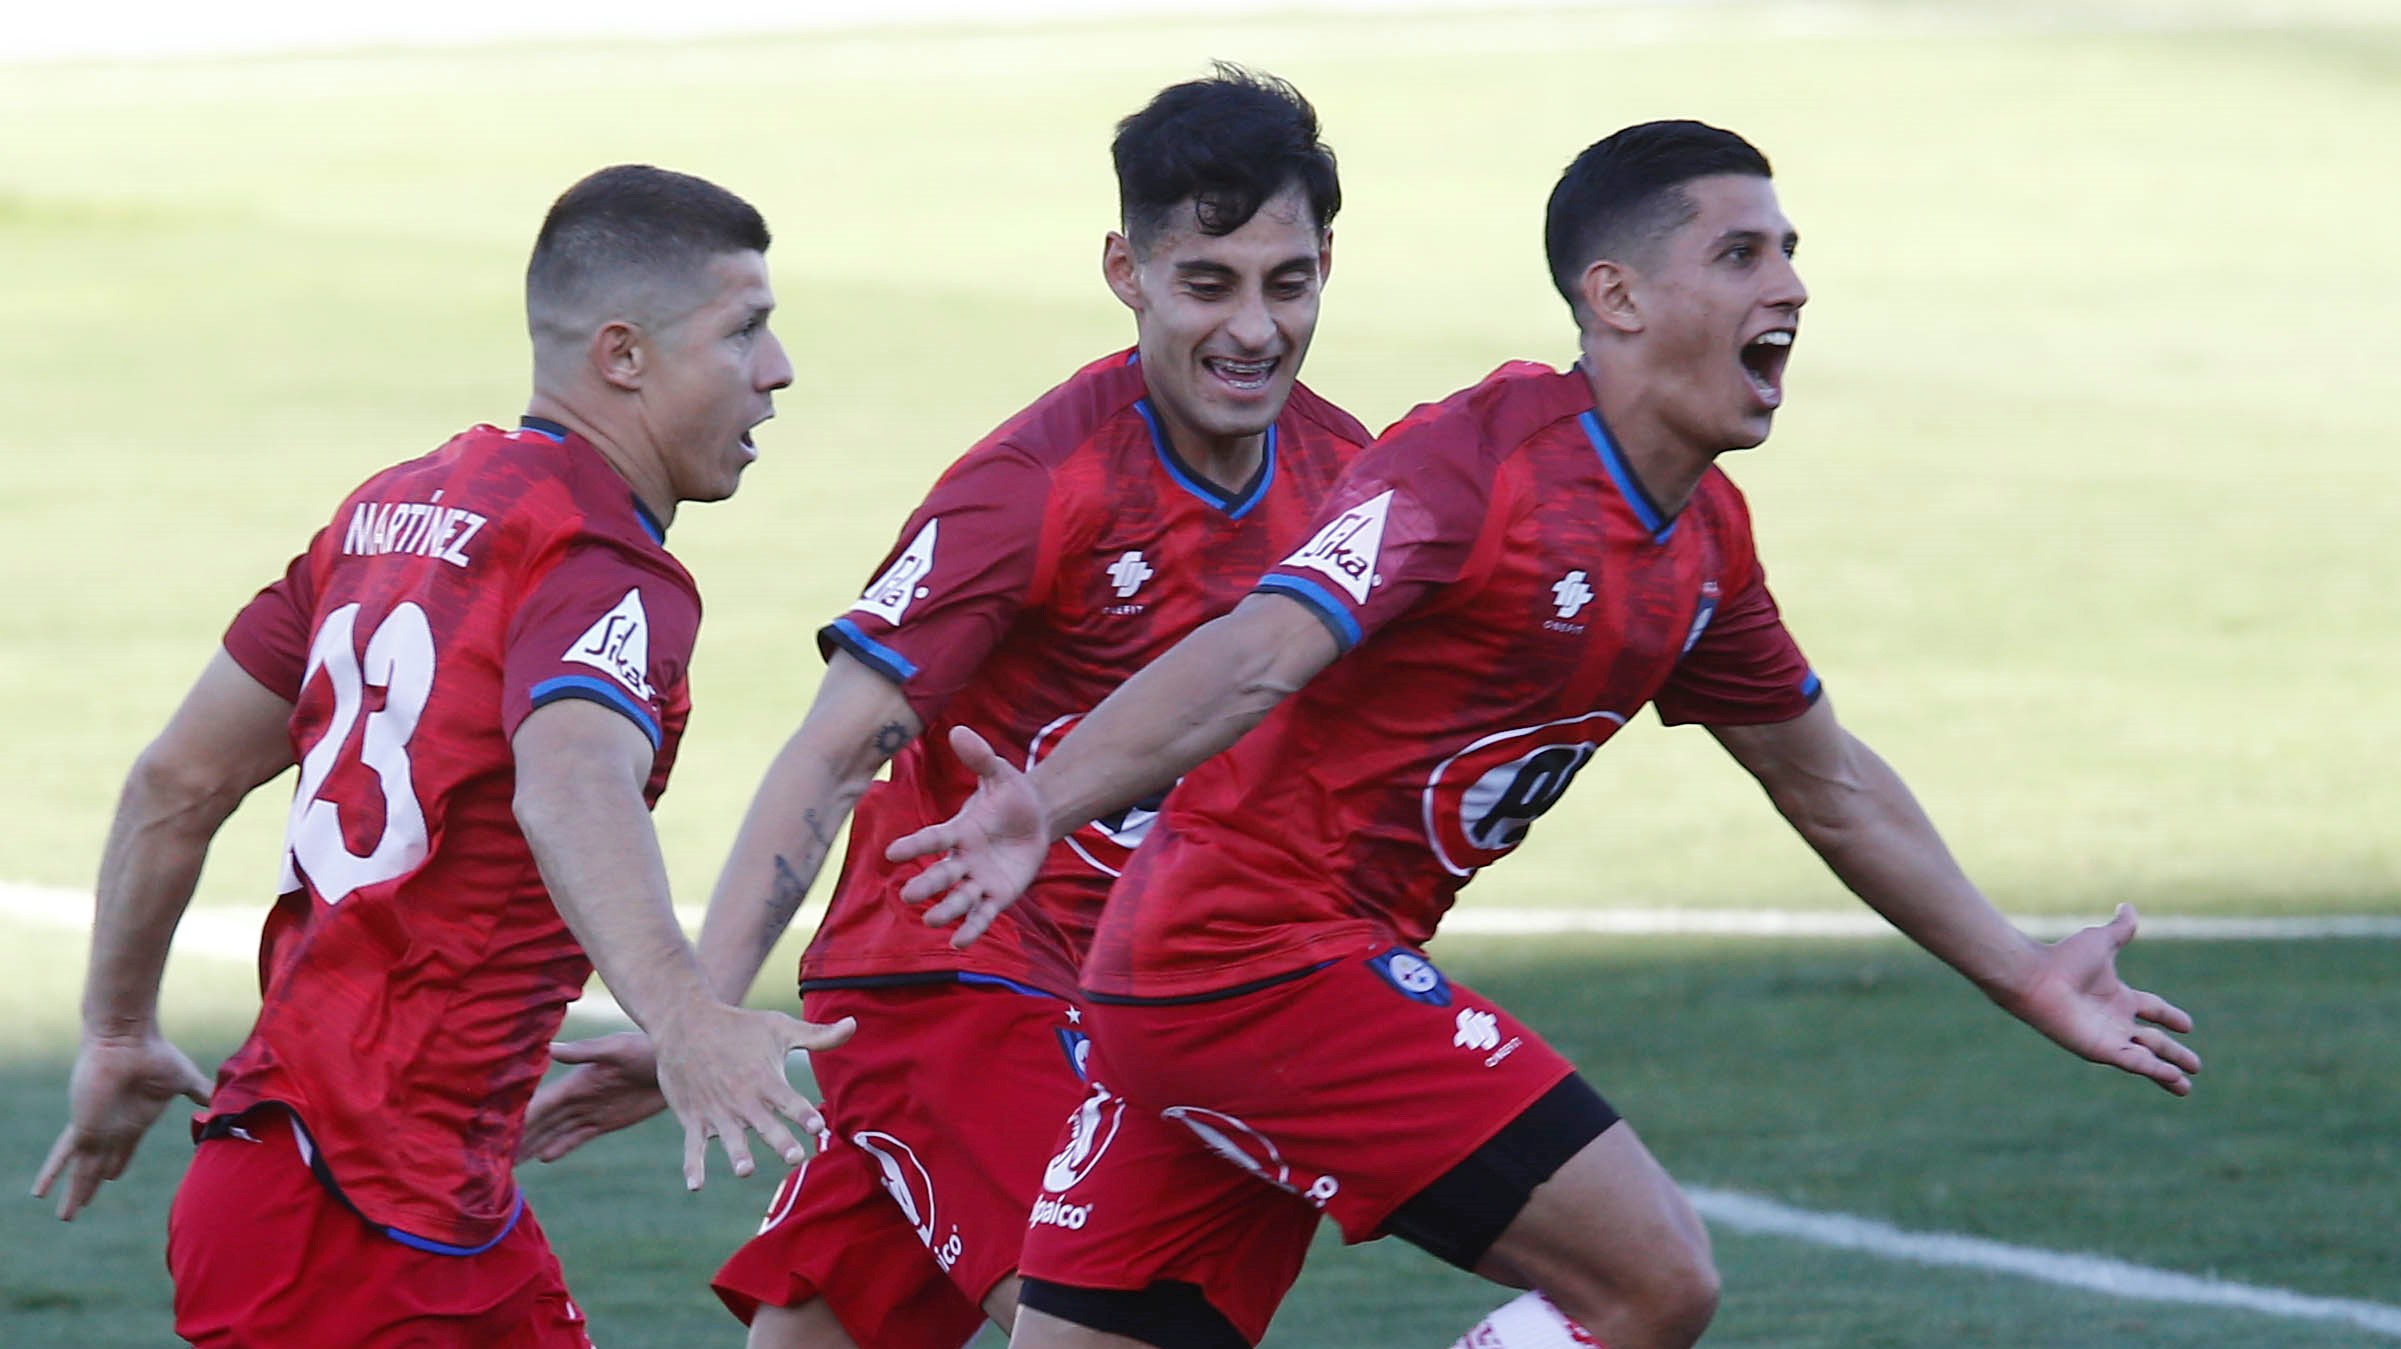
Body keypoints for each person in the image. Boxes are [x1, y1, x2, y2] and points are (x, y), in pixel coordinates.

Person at [891, 120, 2204, 1349]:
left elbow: (1833, 786)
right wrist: (1044, 802)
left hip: (1185, 984)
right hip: (1254, 958)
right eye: (1741, 253)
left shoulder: (1699, 545)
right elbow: (1258, 647)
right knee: (1651, 1279)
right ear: (1616, 295)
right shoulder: (1480, 460)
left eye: (1790, 252)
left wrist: (2025, 978)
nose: (1788, 287)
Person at [516, 67, 1372, 1348]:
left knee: (818, 1334)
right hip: (963, 978)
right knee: (1118, 1326)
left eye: (1286, 282)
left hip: (1147, 992)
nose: (1253, 329)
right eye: (1208, 283)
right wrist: (694, 1012)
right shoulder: (1035, 485)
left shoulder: (1345, 476)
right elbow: (830, 751)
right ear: (1126, 271)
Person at [30, 164, 858, 1347]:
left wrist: (116, 1029)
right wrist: (684, 1015)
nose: (776, 372)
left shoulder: (388, 510)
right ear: (622, 354)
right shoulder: (596, 562)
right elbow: (569, 780)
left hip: (398, 1201)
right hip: (348, 1227)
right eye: (746, 330)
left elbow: (181, 780)